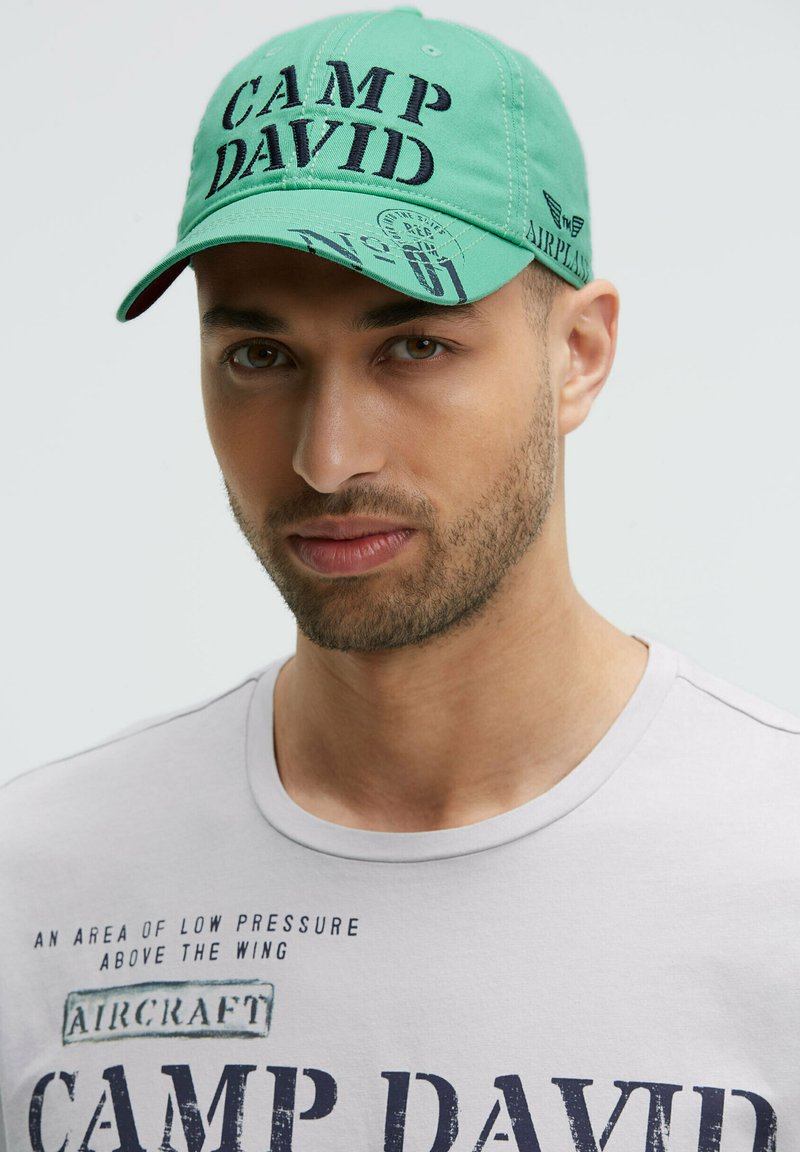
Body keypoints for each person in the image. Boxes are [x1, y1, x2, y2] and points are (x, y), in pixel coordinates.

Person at [0, 8, 797, 1151]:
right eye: (259, 356)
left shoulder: (773, 875)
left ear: (576, 357)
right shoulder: (38, 888)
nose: (326, 459)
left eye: (413, 346)